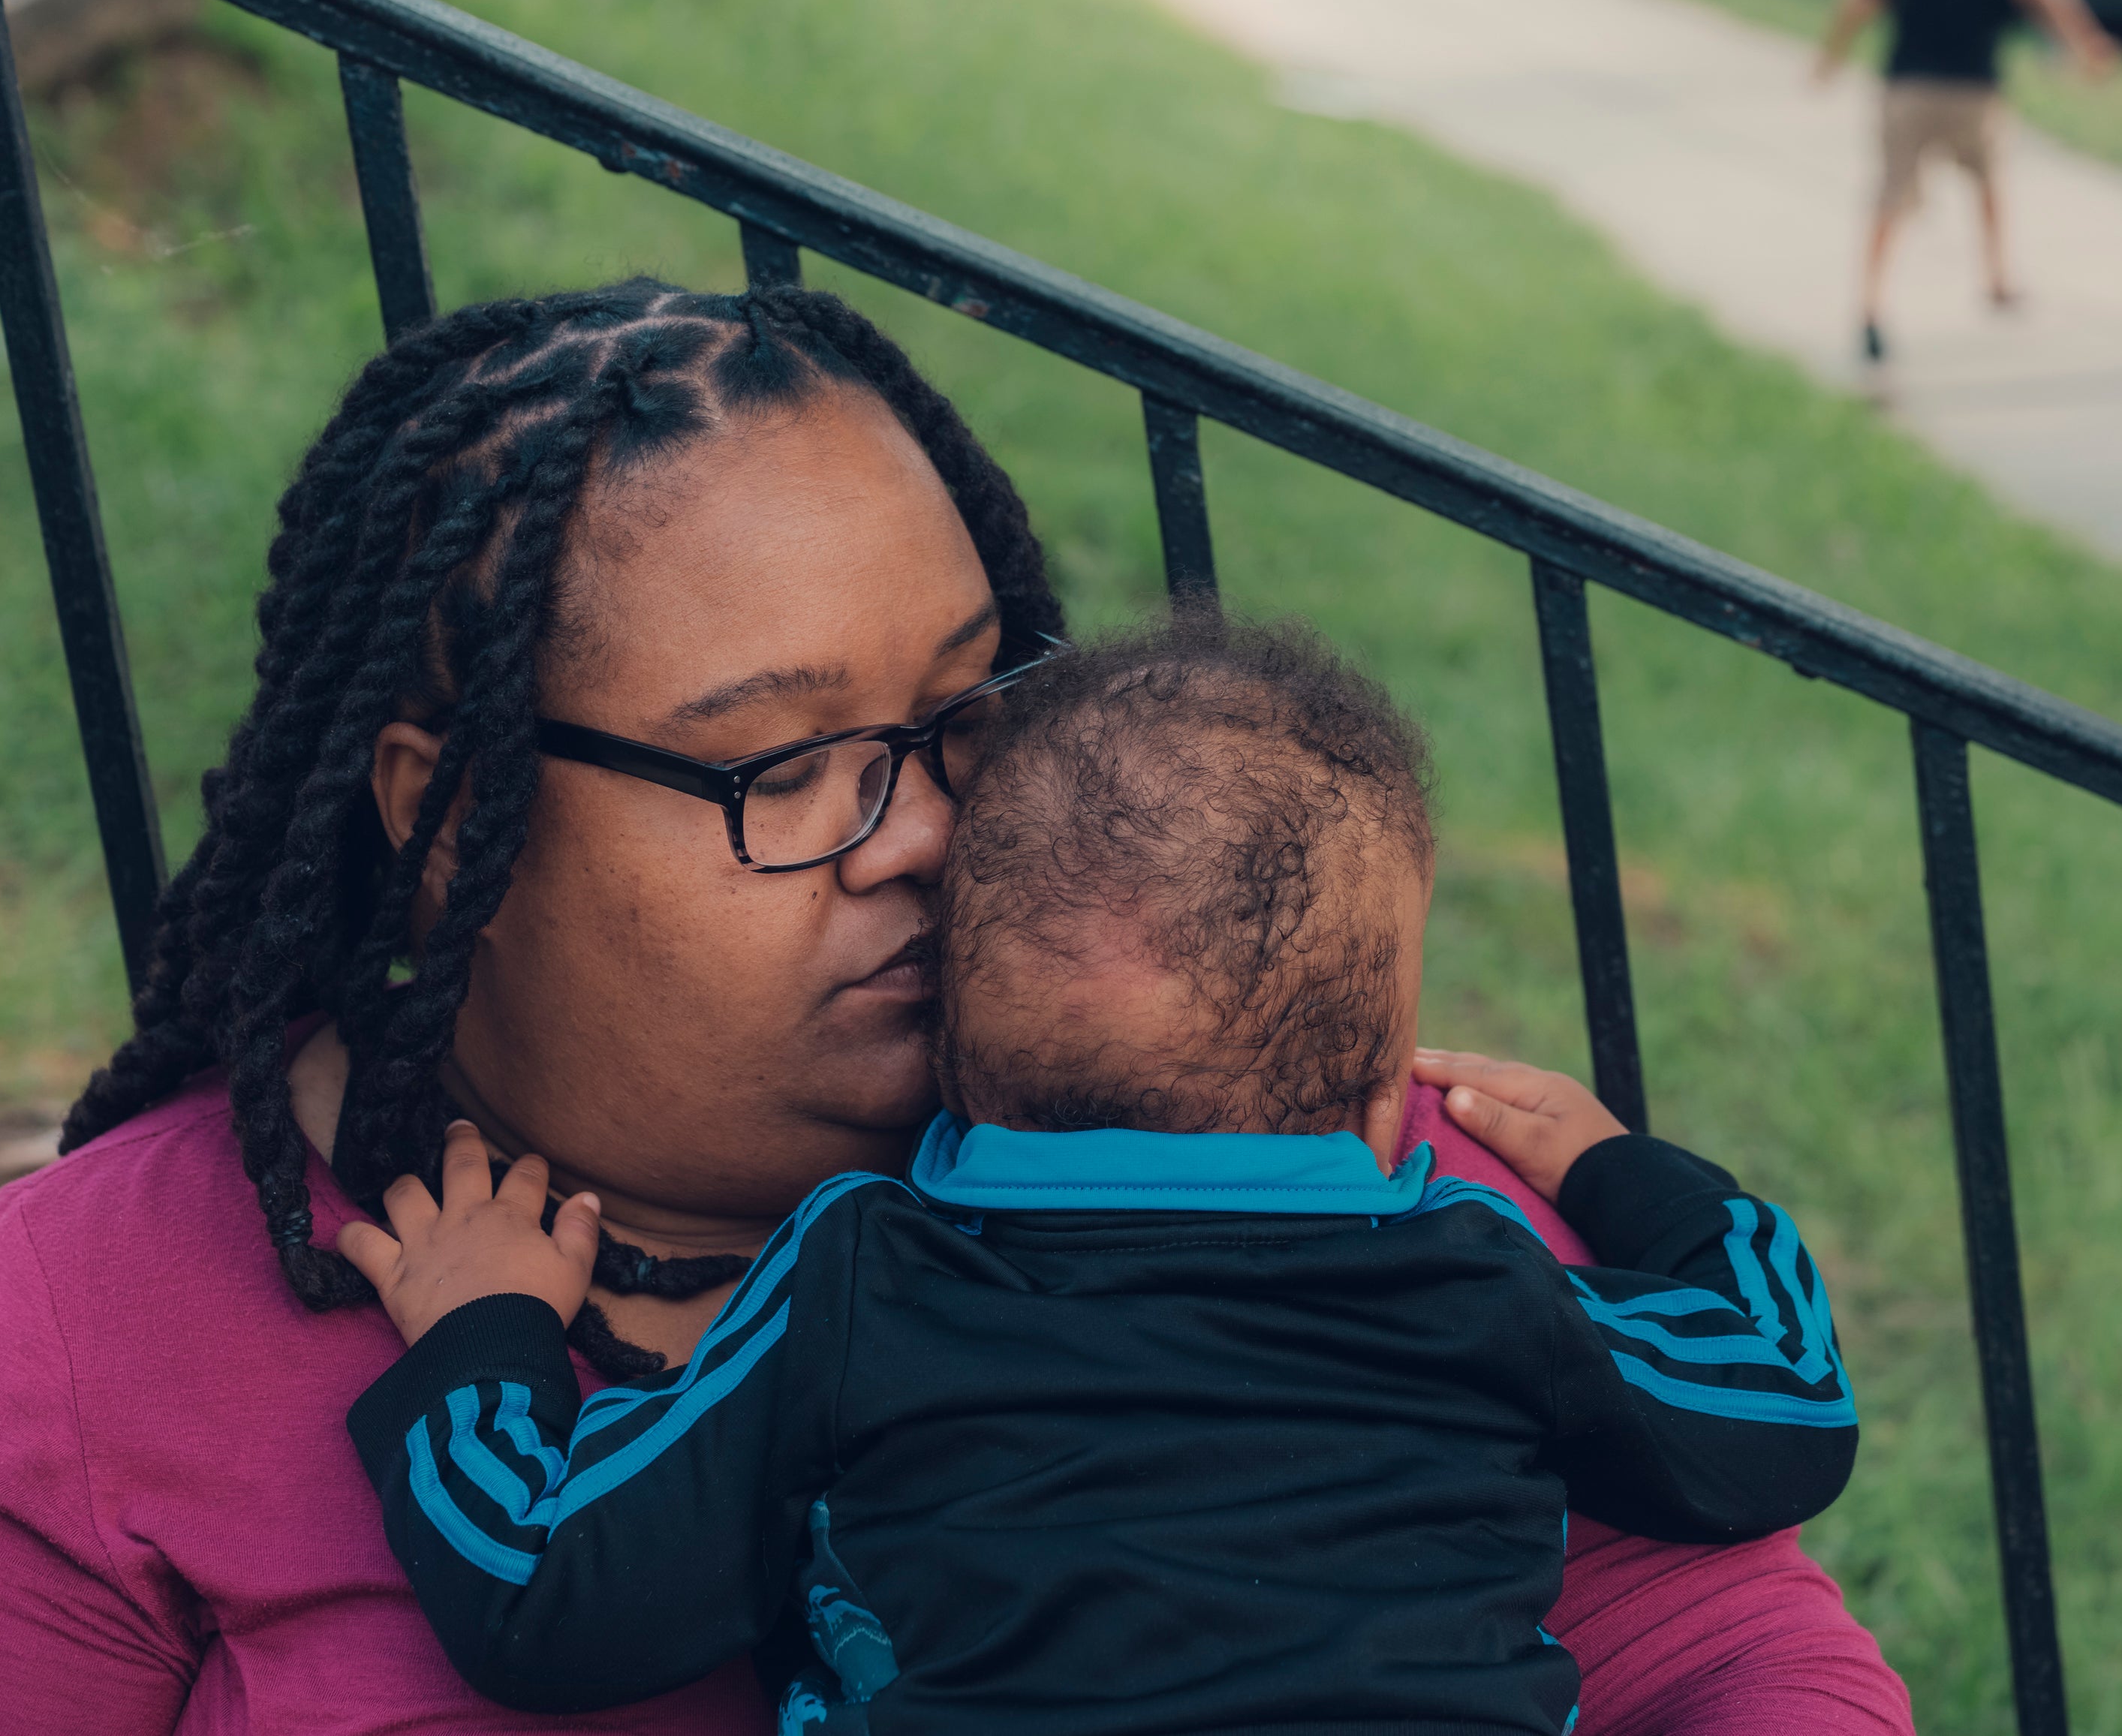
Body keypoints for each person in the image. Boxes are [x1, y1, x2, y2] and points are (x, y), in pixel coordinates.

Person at [0, 281, 1913, 1736]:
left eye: (967, 712)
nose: (923, 835)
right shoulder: (110, 1321)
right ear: (450, 804)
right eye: (782, 762)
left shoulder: (1250, 1154)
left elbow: (1732, 1649)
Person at [342, 615, 1856, 1730]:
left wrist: (487, 1334)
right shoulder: (1473, 1268)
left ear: (944, 1044)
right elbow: (1785, 1404)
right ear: (1386, 1092)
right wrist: (1623, 1173)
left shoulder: (864, 1269)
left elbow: (538, 1594)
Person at [1813, 0, 2119, 355]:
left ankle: (1869, 301)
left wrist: (1830, 58)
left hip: (1907, 89)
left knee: (1891, 195)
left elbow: (1859, 3)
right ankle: (1996, 275)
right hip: (1974, 90)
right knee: (1988, 180)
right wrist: (2084, 42)